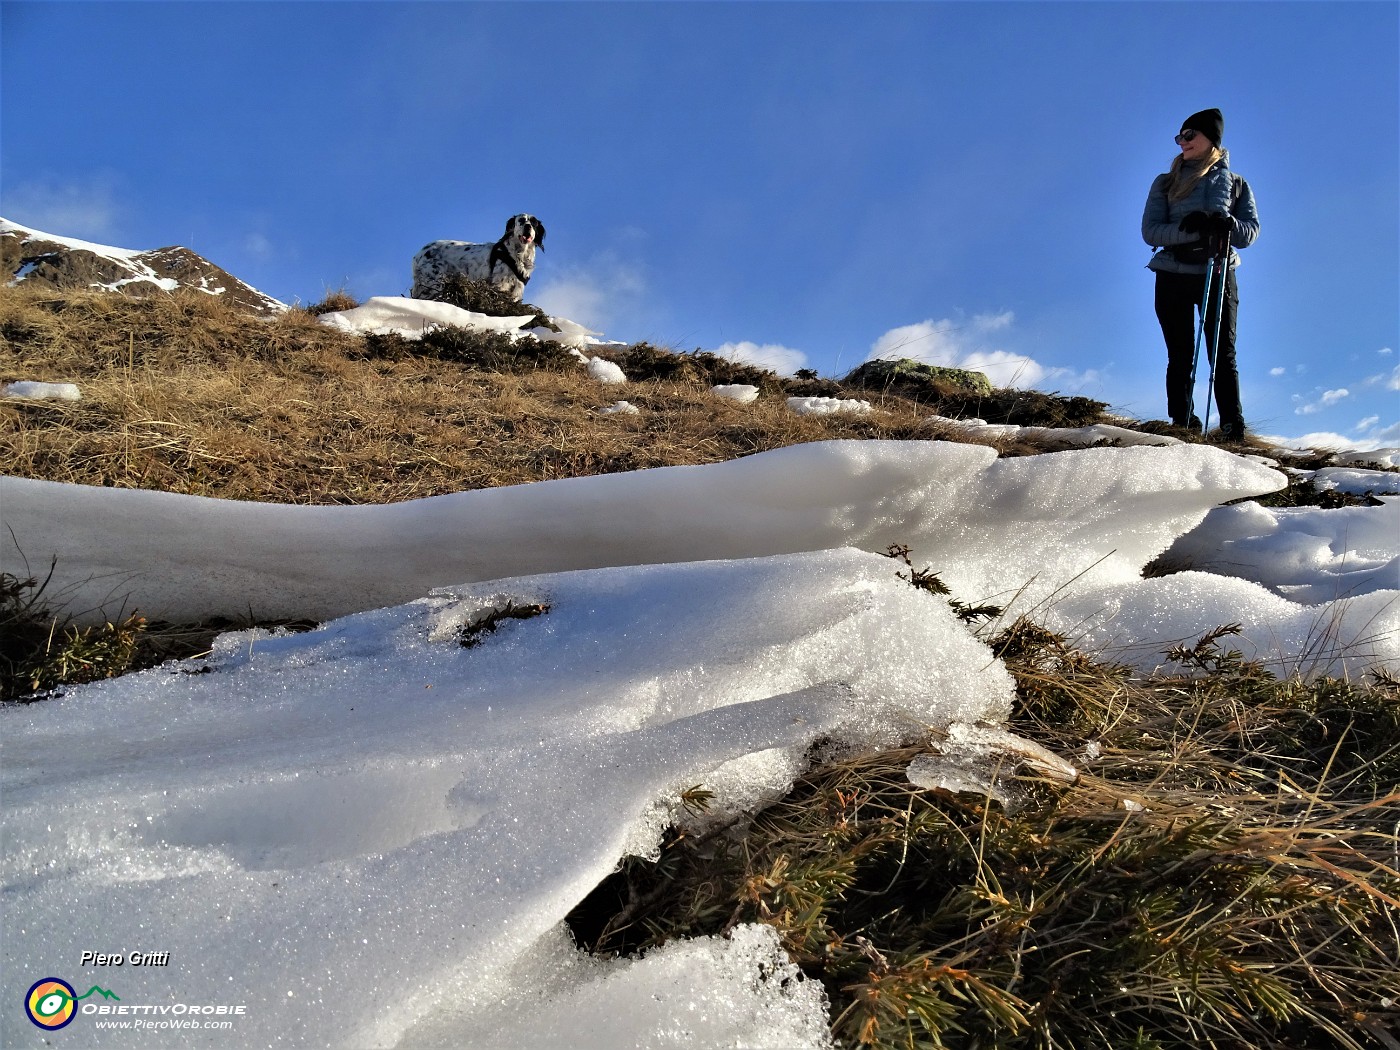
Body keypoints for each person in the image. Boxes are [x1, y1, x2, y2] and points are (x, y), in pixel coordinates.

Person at [1141, 108, 1259, 440]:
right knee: (1179, 355)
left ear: (1212, 138)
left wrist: (1227, 225)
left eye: (1189, 135)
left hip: (1218, 273)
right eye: (1180, 137)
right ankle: (1183, 424)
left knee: (1222, 353)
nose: (1183, 142)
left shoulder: (1237, 184)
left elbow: (1249, 233)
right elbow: (1151, 232)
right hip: (1172, 275)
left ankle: (1233, 428)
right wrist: (1191, 232)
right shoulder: (1165, 183)